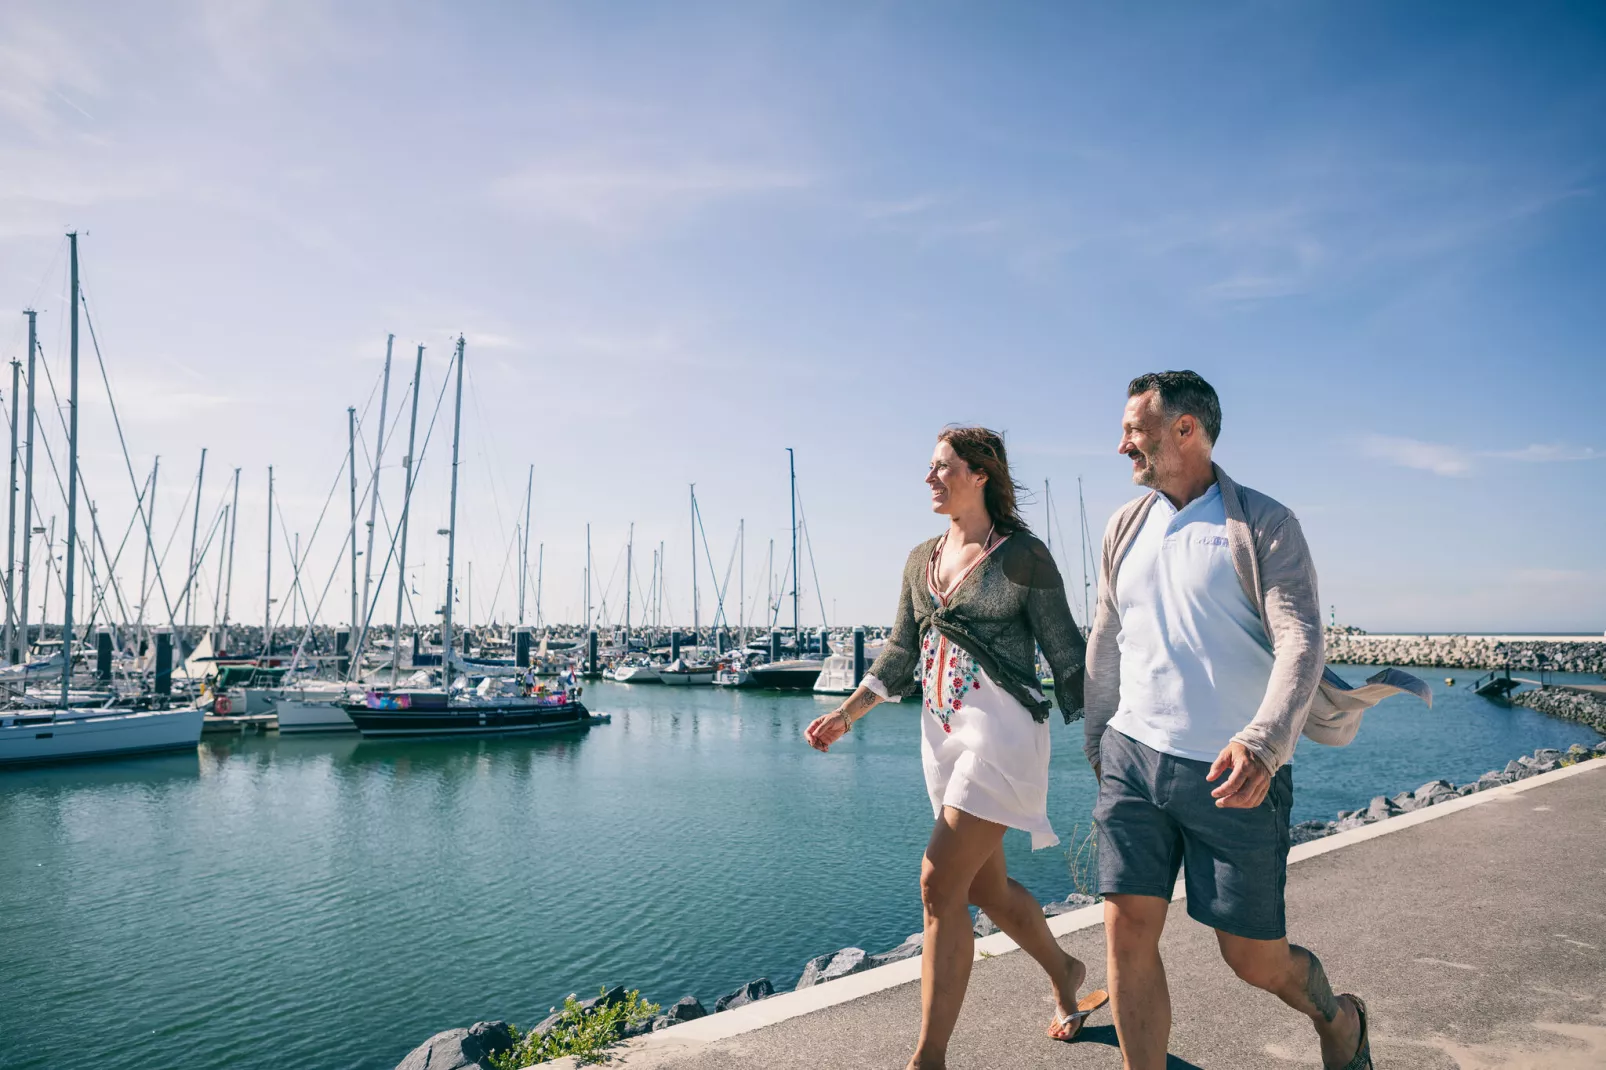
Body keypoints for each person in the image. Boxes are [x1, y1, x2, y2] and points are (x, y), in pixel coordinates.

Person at [1085, 370, 1425, 1070]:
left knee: (1254, 960)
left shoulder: (1263, 523)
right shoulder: (1126, 525)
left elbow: (1303, 638)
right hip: (1133, 758)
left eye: (1135, 431)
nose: (1123, 446)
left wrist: (1266, 745)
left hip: (1235, 772)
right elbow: (1107, 634)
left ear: (1187, 430)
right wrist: (1098, 735)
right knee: (1125, 935)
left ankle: (1339, 1016)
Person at [805, 425, 1106, 1070]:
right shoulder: (922, 557)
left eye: (942, 467)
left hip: (1004, 737)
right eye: (931, 467)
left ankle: (929, 1057)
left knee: (939, 883)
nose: (930, 478)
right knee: (987, 893)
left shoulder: (1023, 556)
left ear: (980, 474)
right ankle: (1067, 972)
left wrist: (1108, 741)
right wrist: (848, 713)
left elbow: (1066, 654)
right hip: (943, 736)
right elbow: (899, 651)